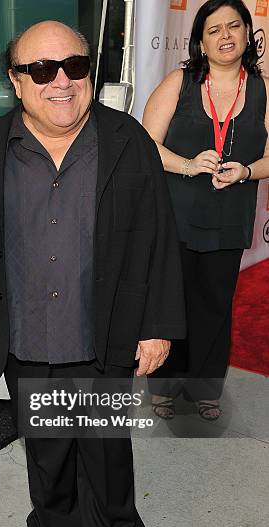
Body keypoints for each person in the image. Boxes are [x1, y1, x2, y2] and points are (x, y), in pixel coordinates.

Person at [0, 21, 185, 527]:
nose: (61, 81)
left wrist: (157, 325)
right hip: (25, 337)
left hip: (104, 335)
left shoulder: (127, 143)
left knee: (106, 452)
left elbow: (159, 240)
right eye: (42, 70)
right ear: (17, 83)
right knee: (44, 447)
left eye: (75, 65)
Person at [143, 0, 269, 421]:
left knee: (215, 305)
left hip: (229, 218)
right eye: (214, 30)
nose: (226, 35)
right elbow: (146, 146)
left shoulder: (263, 88)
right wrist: (186, 164)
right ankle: (164, 385)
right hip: (175, 216)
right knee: (170, 301)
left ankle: (205, 388)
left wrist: (248, 170)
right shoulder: (180, 82)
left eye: (234, 26)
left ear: (248, 33)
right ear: (200, 41)